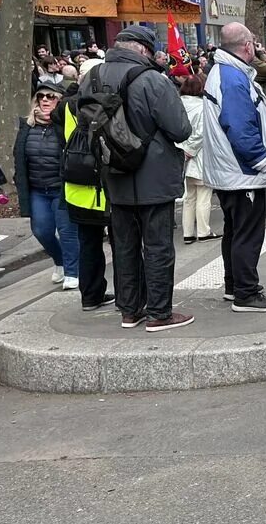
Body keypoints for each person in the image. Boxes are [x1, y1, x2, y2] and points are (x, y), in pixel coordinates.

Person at [80, 26, 192, 330]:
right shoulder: (152, 80)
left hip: (113, 172)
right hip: (152, 175)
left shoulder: (90, 77)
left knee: (124, 245)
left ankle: (130, 310)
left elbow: (84, 124)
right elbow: (181, 129)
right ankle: (159, 313)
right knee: (157, 246)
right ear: (143, 49)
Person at [203, 23, 266, 313]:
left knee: (235, 231)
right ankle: (246, 293)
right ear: (248, 46)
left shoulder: (226, 72)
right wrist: (261, 161)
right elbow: (239, 126)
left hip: (233, 172)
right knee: (248, 234)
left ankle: (234, 285)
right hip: (242, 173)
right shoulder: (233, 78)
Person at [13, 80, 79, 290]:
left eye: (50, 97)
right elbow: (19, 157)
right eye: (41, 96)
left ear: (59, 100)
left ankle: (72, 271)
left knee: (67, 231)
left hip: (61, 187)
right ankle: (59, 261)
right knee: (41, 230)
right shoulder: (27, 126)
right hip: (37, 189)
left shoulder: (64, 124)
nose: (45, 100)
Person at [57, 91, 114, 312]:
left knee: (88, 245)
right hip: (107, 188)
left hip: (77, 189)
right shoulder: (109, 101)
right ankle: (128, 297)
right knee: (122, 244)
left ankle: (90, 296)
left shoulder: (66, 107)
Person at [176, 73, 217, 244]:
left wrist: (182, 150)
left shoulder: (177, 104)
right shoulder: (203, 106)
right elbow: (201, 133)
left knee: (189, 196)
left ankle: (188, 233)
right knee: (204, 195)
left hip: (180, 154)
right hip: (199, 155)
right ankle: (203, 231)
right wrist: (190, 150)